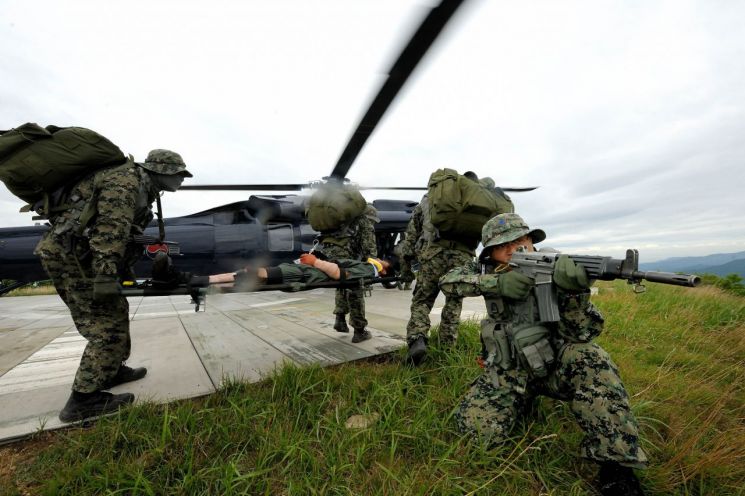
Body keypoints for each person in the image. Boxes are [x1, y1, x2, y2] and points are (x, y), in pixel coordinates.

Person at [439, 213, 647, 496]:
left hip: (553, 366)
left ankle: (617, 466)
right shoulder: (486, 270)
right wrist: (495, 284)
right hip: (508, 370)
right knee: (474, 435)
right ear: (491, 253)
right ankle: (520, 402)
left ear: (531, 240)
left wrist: (575, 295)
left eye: (521, 241)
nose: (515, 250)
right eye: (504, 246)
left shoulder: (557, 267)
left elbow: (582, 333)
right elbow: (449, 281)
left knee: (591, 357)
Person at [35, 149, 193, 422]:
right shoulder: (125, 182)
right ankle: (83, 401)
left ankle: (110, 370)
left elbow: (125, 235)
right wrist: (105, 278)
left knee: (117, 309)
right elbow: (110, 232)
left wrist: (123, 274)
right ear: (161, 170)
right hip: (72, 259)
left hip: (83, 257)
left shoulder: (144, 188)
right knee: (104, 326)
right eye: (179, 174)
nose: (181, 180)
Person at [403, 174, 480, 365]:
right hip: (462, 258)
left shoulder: (431, 199)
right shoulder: (473, 201)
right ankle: (448, 350)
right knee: (454, 303)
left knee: (422, 299)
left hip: (432, 254)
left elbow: (412, 234)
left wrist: (407, 258)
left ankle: (418, 339)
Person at [317, 205, 378, 343]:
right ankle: (359, 331)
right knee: (356, 288)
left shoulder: (345, 222)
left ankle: (340, 320)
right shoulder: (364, 221)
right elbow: (370, 248)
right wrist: (372, 267)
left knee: (342, 283)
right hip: (346, 258)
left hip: (329, 256)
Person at [198, 253, 391, 288]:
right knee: (250, 277)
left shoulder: (369, 269)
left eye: (385, 262)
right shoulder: (368, 266)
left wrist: (316, 262)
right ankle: (205, 280)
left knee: (253, 273)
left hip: (305, 274)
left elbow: (343, 275)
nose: (382, 259)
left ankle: (204, 280)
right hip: (304, 270)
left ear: (383, 272)